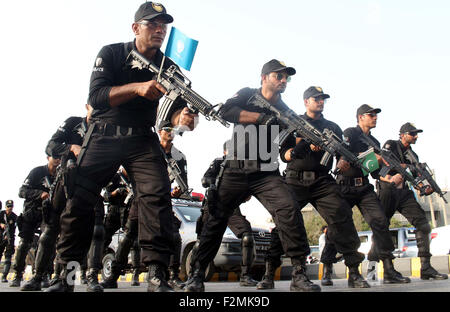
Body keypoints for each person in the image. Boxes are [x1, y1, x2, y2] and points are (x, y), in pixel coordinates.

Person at [46, 2, 196, 293]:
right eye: (152, 23)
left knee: (157, 197)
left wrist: (184, 119)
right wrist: (137, 88)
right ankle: (66, 277)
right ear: (135, 27)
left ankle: (156, 274)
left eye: (163, 25)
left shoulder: (169, 66)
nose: (159, 29)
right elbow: (98, 95)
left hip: (142, 138)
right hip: (104, 134)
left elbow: (175, 113)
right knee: (79, 201)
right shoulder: (112, 53)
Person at [185, 60, 320, 292]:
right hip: (235, 168)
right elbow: (227, 111)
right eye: (279, 76)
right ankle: (197, 274)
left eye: (286, 78)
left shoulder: (287, 112)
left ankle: (299, 272)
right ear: (264, 77)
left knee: (289, 209)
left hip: (266, 171)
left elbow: (285, 152)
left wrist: (299, 148)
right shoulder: (248, 95)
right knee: (215, 218)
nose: (284, 81)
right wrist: (261, 118)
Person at [259, 86, 370, 290]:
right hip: (294, 179)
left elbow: (343, 153)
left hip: (322, 180)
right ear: (306, 102)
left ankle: (354, 271)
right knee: (285, 221)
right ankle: (269, 273)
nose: (320, 101)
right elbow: (284, 155)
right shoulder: (293, 123)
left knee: (341, 216)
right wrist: (304, 146)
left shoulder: (333, 127)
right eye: (316, 98)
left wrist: (343, 161)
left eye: (322, 99)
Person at [320, 104, 410, 286]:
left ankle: (389, 269)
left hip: (364, 188)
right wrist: (366, 157)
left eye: (376, 115)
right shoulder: (351, 133)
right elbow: (340, 151)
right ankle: (327, 266)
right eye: (371, 115)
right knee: (336, 226)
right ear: (361, 117)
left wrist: (391, 178)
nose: (375, 117)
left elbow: (376, 172)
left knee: (381, 221)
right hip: (344, 187)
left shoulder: (375, 142)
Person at [21, 104, 106, 292]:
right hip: (64, 182)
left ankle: (75, 279)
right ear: (87, 107)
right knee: (49, 231)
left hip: (90, 188)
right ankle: (38, 276)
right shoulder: (73, 123)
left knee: (86, 234)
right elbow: (51, 146)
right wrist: (71, 147)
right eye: (96, 107)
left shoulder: (106, 129)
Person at [372, 122, 448, 280]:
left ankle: (426, 267)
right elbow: (384, 159)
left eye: (416, 134)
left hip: (404, 193)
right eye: (412, 134)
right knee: (381, 227)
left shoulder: (413, 156)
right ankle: (376, 267)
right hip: (387, 190)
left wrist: (424, 188)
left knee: (423, 225)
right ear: (402, 135)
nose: (416, 136)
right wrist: (406, 167)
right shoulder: (391, 144)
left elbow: (415, 179)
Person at [191, 141, 258, 287]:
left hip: (233, 208)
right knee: (202, 241)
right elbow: (205, 179)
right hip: (214, 205)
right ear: (225, 152)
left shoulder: (243, 165)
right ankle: (194, 274)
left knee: (247, 236)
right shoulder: (219, 162)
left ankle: (245, 275)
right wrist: (215, 185)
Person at [9, 156, 61, 287]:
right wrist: (40, 194)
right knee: (24, 243)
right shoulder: (37, 172)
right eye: (54, 157)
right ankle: (18, 274)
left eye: (60, 158)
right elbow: (22, 191)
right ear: (48, 157)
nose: (57, 160)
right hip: (31, 211)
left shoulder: (61, 175)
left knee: (48, 242)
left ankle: (43, 274)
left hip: (48, 213)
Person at [0, 200, 18, 282]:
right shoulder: (1, 214)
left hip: (10, 239)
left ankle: (4, 276)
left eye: (11, 206)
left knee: (8, 257)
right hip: (0, 238)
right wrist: (1, 224)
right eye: (8, 206)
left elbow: (16, 227)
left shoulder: (14, 217)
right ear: (5, 206)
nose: (9, 208)